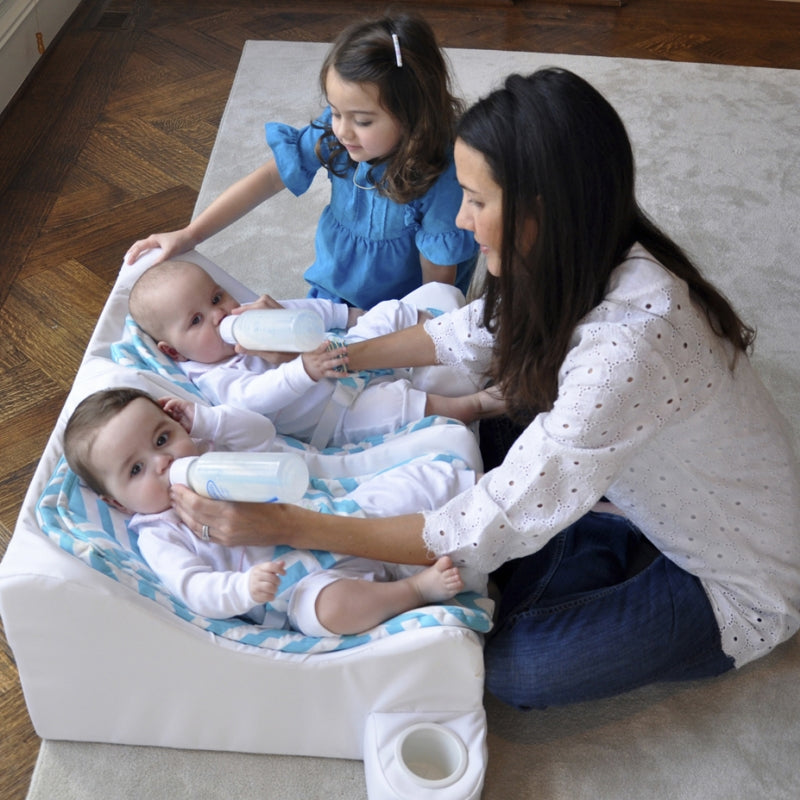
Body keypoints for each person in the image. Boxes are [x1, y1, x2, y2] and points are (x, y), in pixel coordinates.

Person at [165, 67, 800, 710]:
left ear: (538, 210)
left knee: (511, 669)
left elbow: (468, 531)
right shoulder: (582, 252)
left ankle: (594, 535)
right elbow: (467, 334)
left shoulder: (630, 350)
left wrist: (285, 524)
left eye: (476, 199)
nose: (463, 221)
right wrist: (331, 358)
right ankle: (582, 529)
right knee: (481, 419)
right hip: (634, 469)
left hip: (731, 579)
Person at [124, 14, 478, 310]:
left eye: (363, 121)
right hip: (335, 289)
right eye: (336, 112)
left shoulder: (442, 177)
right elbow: (267, 180)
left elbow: (436, 300)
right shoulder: (336, 134)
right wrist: (190, 234)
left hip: (403, 307)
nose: (342, 131)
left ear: (416, 115)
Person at [62, 387, 478, 636]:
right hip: (295, 586)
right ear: (117, 503)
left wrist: (205, 421)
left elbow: (262, 435)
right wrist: (244, 588)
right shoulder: (158, 533)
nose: (163, 463)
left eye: (162, 438)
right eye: (136, 470)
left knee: (409, 487)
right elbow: (193, 586)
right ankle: (414, 591)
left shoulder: (209, 454)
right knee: (327, 612)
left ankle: (476, 505)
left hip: (331, 519)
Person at [126, 258, 501, 448]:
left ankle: (464, 337)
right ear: (173, 351)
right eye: (196, 319)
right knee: (395, 405)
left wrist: (354, 316)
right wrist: (301, 369)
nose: (219, 315)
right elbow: (253, 400)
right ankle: (476, 406)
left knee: (391, 312)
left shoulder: (251, 314)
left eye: (216, 297)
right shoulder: (214, 376)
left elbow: (309, 313)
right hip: (338, 413)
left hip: (346, 354)